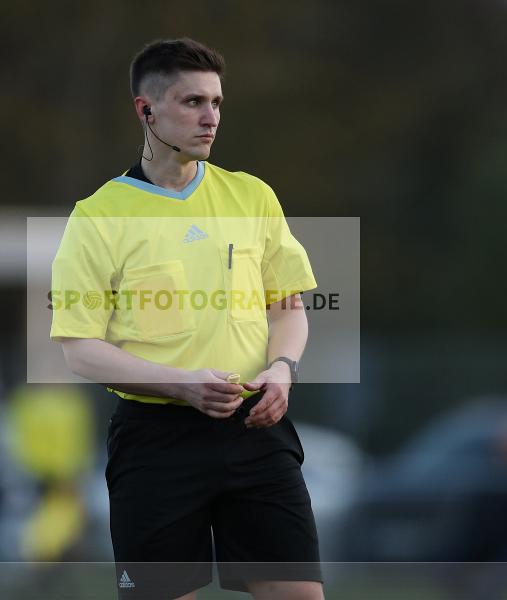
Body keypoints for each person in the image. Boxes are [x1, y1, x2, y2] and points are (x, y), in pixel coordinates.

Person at [50, 38, 323, 600]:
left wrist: (283, 369)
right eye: (193, 101)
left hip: (256, 430)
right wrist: (182, 384)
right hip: (156, 442)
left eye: (217, 102)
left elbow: (288, 309)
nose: (210, 117)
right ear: (146, 110)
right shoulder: (98, 216)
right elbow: (79, 350)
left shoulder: (251, 196)